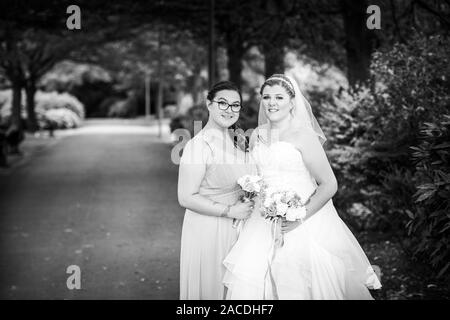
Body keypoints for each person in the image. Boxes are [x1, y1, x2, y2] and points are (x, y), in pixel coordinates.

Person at [223, 74, 381, 299]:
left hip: (302, 218)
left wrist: (299, 217)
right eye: (266, 97)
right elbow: (257, 175)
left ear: (292, 101)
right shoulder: (257, 134)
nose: (271, 102)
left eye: (279, 97)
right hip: (261, 219)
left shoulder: (304, 136)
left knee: (297, 278)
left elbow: (329, 184)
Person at [178, 81, 257, 299]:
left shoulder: (237, 141)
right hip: (209, 229)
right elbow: (185, 197)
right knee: (213, 290)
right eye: (222, 103)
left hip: (239, 229)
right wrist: (230, 211)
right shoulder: (198, 145)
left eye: (235, 105)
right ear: (209, 104)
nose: (229, 110)